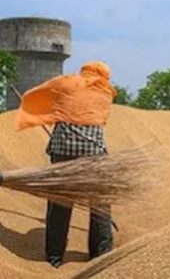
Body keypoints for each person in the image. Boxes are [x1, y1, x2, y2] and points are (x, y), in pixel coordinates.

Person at [14, 61, 117, 268]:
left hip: (63, 151)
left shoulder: (67, 82)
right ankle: (100, 255)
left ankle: (54, 258)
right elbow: (98, 119)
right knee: (99, 204)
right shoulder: (106, 92)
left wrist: (45, 109)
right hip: (93, 154)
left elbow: (42, 92)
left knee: (60, 203)